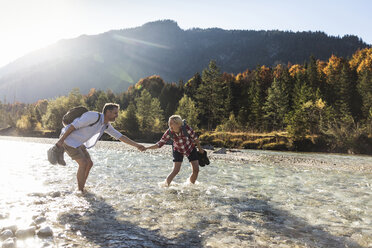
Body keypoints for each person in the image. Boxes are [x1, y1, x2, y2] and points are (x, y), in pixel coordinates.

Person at [56, 103, 145, 192]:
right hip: (68, 140)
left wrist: (137, 145)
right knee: (83, 163)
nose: (117, 116)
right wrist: (61, 140)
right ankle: (80, 190)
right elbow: (73, 126)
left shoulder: (105, 125)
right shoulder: (93, 116)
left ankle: (81, 186)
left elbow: (120, 136)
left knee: (89, 163)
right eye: (115, 113)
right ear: (108, 112)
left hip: (78, 143)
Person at [145, 115, 204, 186]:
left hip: (190, 148)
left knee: (196, 170)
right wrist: (147, 148)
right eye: (169, 124)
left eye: (171, 124)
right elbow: (160, 144)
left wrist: (200, 149)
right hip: (177, 150)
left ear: (178, 124)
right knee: (176, 170)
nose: (169, 126)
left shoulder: (186, 128)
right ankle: (165, 186)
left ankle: (190, 186)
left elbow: (195, 138)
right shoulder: (169, 132)